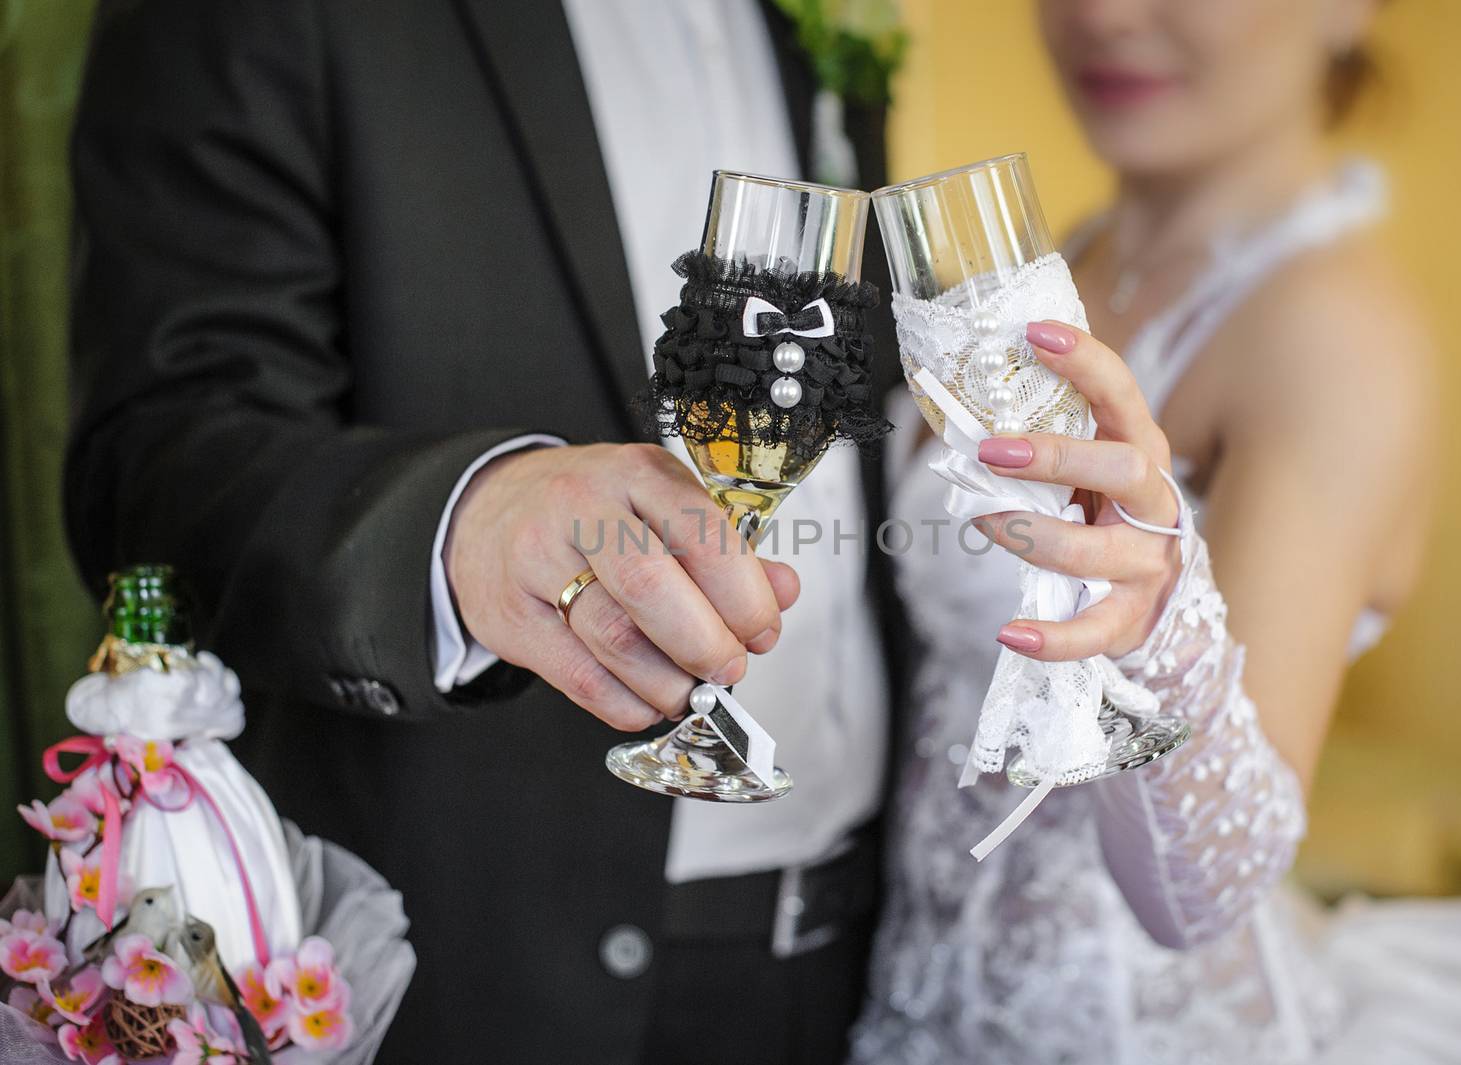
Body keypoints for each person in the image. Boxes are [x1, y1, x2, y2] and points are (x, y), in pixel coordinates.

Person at [64, 1, 903, 1061]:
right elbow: (155, 461)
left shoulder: (819, 22)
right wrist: (462, 518)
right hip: (484, 969)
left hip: (874, 951)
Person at [851, 0, 1461, 1062]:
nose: (1105, 15)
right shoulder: (1073, 257)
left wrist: (1151, 630)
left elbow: (1206, 886)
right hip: (914, 995)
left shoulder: (1326, 333)